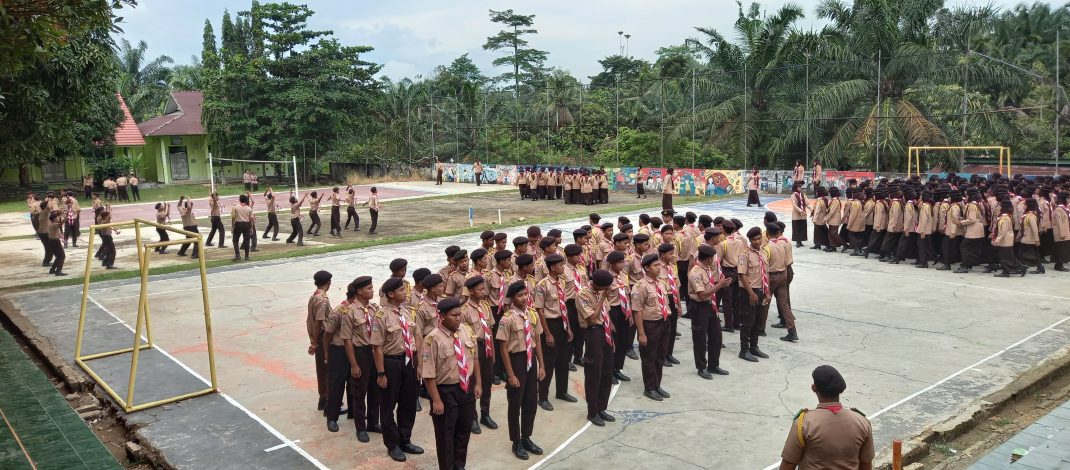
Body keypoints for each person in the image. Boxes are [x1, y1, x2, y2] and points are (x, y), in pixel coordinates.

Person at [422, 297, 479, 470]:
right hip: (446, 392)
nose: (458, 318)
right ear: (442, 316)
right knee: (446, 436)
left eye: (459, 314)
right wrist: (436, 400)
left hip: (466, 387)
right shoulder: (432, 339)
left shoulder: (466, 330)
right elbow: (428, 374)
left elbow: (474, 358)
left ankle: (459, 466)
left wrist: (478, 384)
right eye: (454, 315)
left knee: (463, 431)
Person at [779, 365, 874, 470]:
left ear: (814, 388)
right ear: (841, 390)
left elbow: (788, 465)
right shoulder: (862, 422)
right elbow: (866, 464)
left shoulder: (804, 423)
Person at [372, 277, 425, 462]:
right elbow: (377, 347)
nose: (405, 292)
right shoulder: (381, 316)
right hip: (391, 363)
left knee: (408, 403)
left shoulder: (408, 312)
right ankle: (392, 444)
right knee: (388, 406)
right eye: (401, 290)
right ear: (391, 294)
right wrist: (381, 373)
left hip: (409, 362)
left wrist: (419, 365)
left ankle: (405, 440)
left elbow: (416, 339)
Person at [497, 281, 546, 461]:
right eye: (520, 295)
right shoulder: (507, 319)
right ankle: (516, 441)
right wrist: (510, 375)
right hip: (516, 360)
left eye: (525, 294)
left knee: (531, 402)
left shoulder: (532, 314)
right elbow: (503, 348)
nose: (524, 298)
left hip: (530, 359)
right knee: (515, 404)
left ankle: (526, 437)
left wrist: (542, 365)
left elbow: (537, 341)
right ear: (512, 298)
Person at [533, 254, 572, 412]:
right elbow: (539, 310)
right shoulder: (542, 285)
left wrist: (568, 327)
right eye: (560, 265)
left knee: (563, 360)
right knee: (549, 362)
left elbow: (563, 306)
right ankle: (542, 397)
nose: (563, 267)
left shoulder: (561, 282)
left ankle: (562, 391)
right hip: (550, 324)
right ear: (552, 267)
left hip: (562, 323)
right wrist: (547, 333)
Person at [460, 276, 498, 434]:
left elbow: (489, 330)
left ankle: (485, 413)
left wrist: (492, 351)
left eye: (484, 288)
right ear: (471, 291)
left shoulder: (485, 306)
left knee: (487, 381)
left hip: (486, 346)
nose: (484, 292)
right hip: (472, 348)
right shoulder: (464, 311)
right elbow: (462, 335)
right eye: (480, 289)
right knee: (473, 383)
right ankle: (472, 417)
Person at [688, 244, 732, 379]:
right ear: (707, 259)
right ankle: (701, 367)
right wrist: (720, 285)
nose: (714, 260)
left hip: (710, 306)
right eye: (713, 258)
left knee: (716, 336)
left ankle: (713, 365)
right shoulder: (696, 273)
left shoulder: (706, 269)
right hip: (699, 307)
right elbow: (702, 294)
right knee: (700, 339)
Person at [579, 269, 616, 426]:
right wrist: (602, 298)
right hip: (593, 332)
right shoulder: (583, 294)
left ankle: (602, 408)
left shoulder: (602, 291)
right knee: (594, 372)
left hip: (605, 331)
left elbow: (606, 314)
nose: (607, 289)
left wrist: (611, 334)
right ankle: (592, 412)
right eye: (605, 287)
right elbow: (592, 319)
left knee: (607, 371)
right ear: (598, 285)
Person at [632, 254, 671, 401]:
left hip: (664, 322)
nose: (659, 267)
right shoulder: (640, 286)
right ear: (647, 268)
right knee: (649, 358)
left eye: (659, 265)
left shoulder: (660, 283)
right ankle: (649, 388)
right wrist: (641, 333)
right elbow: (637, 310)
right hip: (650, 325)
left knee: (660, 357)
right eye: (655, 265)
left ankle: (656, 384)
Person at [737, 227, 770, 362]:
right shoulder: (744, 254)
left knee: (758, 321)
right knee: (747, 322)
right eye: (754, 239)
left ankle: (754, 347)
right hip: (749, 292)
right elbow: (742, 275)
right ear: (750, 240)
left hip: (761, 291)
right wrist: (751, 293)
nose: (757, 241)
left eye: (759, 238)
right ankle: (744, 350)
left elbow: (765, 273)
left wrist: (767, 292)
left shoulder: (763, 252)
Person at [765, 224, 799, 342]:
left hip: (772, 276)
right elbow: (787, 261)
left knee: (765, 303)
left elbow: (765, 266)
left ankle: (760, 328)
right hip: (783, 274)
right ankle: (792, 330)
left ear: (767, 234)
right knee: (784, 304)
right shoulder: (784, 243)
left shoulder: (767, 247)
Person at [604, 250, 634, 382]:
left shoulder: (623, 275)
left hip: (624, 310)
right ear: (612, 264)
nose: (622, 265)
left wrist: (630, 313)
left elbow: (627, 294)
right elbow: (604, 299)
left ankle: (617, 368)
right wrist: (609, 320)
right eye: (619, 263)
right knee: (612, 342)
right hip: (612, 311)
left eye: (623, 262)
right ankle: (609, 371)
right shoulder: (606, 277)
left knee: (623, 341)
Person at [308, 271, 332, 412]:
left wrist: (312, 339)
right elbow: (318, 323)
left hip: (317, 337)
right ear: (329, 283)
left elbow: (309, 321)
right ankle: (328, 401)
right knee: (328, 369)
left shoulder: (313, 296)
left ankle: (322, 400)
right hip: (323, 338)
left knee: (321, 369)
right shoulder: (322, 300)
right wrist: (315, 343)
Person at [993, 199, 1023, 277]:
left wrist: (997, 240)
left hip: (1005, 240)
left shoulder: (1005, 218)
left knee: (1005, 257)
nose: (998, 207)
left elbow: (1003, 231)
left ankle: (1007, 271)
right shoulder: (1005, 216)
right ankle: (1011, 270)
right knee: (1007, 256)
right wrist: (993, 234)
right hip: (1005, 239)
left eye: (999, 206)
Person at [1017, 199, 1043, 274]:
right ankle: (1040, 267)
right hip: (1026, 238)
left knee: (1023, 254)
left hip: (1029, 239)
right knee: (1033, 253)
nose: (1024, 206)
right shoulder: (1027, 215)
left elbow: (1035, 229)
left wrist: (1037, 240)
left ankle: (1024, 267)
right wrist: (1018, 236)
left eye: (1025, 204)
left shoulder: (1031, 216)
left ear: (1028, 206)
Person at [231, 195, 253, 261]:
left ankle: (238, 255)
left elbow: (233, 218)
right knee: (247, 240)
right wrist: (251, 228)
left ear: (239, 200)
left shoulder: (235, 207)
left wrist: (232, 227)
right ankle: (247, 256)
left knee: (235, 240)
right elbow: (251, 219)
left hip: (238, 224)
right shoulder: (249, 208)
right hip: (246, 224)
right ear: (246, 200)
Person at [1052, 191, 1070, 272]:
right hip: (1061, 233)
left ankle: (1059, 265)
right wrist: (1062, 234)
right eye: (1068, 198)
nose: (1069, 200)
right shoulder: (1058, 210)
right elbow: (1060, 223)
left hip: (1065, 232)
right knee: (1061, 249)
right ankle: (1059, 265)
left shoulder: (1064, 209)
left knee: (1063, 249)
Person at [46, 210, 67, 276]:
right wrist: (66, 217)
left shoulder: (50, 224)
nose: (58, 218)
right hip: (55, 241)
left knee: (58, 256)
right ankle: (58, 271)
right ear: (54, 218)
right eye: (57, 217)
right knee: (62, 256)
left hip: (52, 241)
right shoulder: (54, 224)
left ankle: (52, 270)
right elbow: (61, 224)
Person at [790, 182, 808, 248]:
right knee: (796, 228)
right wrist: (800, 210)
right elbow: (794, 205)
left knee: (802, 228)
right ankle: (797, 241)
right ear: (795, 188)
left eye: (800, 187)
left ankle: (800, 241)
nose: (800, 188)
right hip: (796, 214)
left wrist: (812, 209)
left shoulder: (803, 194)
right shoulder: (793, 195)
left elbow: (807, 203)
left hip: (803, 214)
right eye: (799, 187)